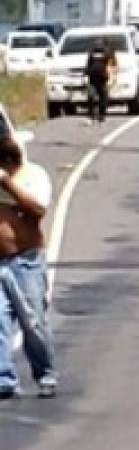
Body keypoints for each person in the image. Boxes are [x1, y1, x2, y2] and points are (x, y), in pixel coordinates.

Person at [0, 129, 56, 399]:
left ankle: (45, 373)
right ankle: (4, 379)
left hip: (26, 262)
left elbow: (38, 211)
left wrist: (7, 184)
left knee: (32, 322)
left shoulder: (33, 176)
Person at [84, 42, 116, 125]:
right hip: (96, 78)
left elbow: (111, 65)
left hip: (100, 79)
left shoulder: (107, 54)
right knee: (95, 97)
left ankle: (100, 116)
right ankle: (95, 116)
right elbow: (88, 65)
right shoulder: (94, 54)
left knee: (99, 97)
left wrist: (110, 75)